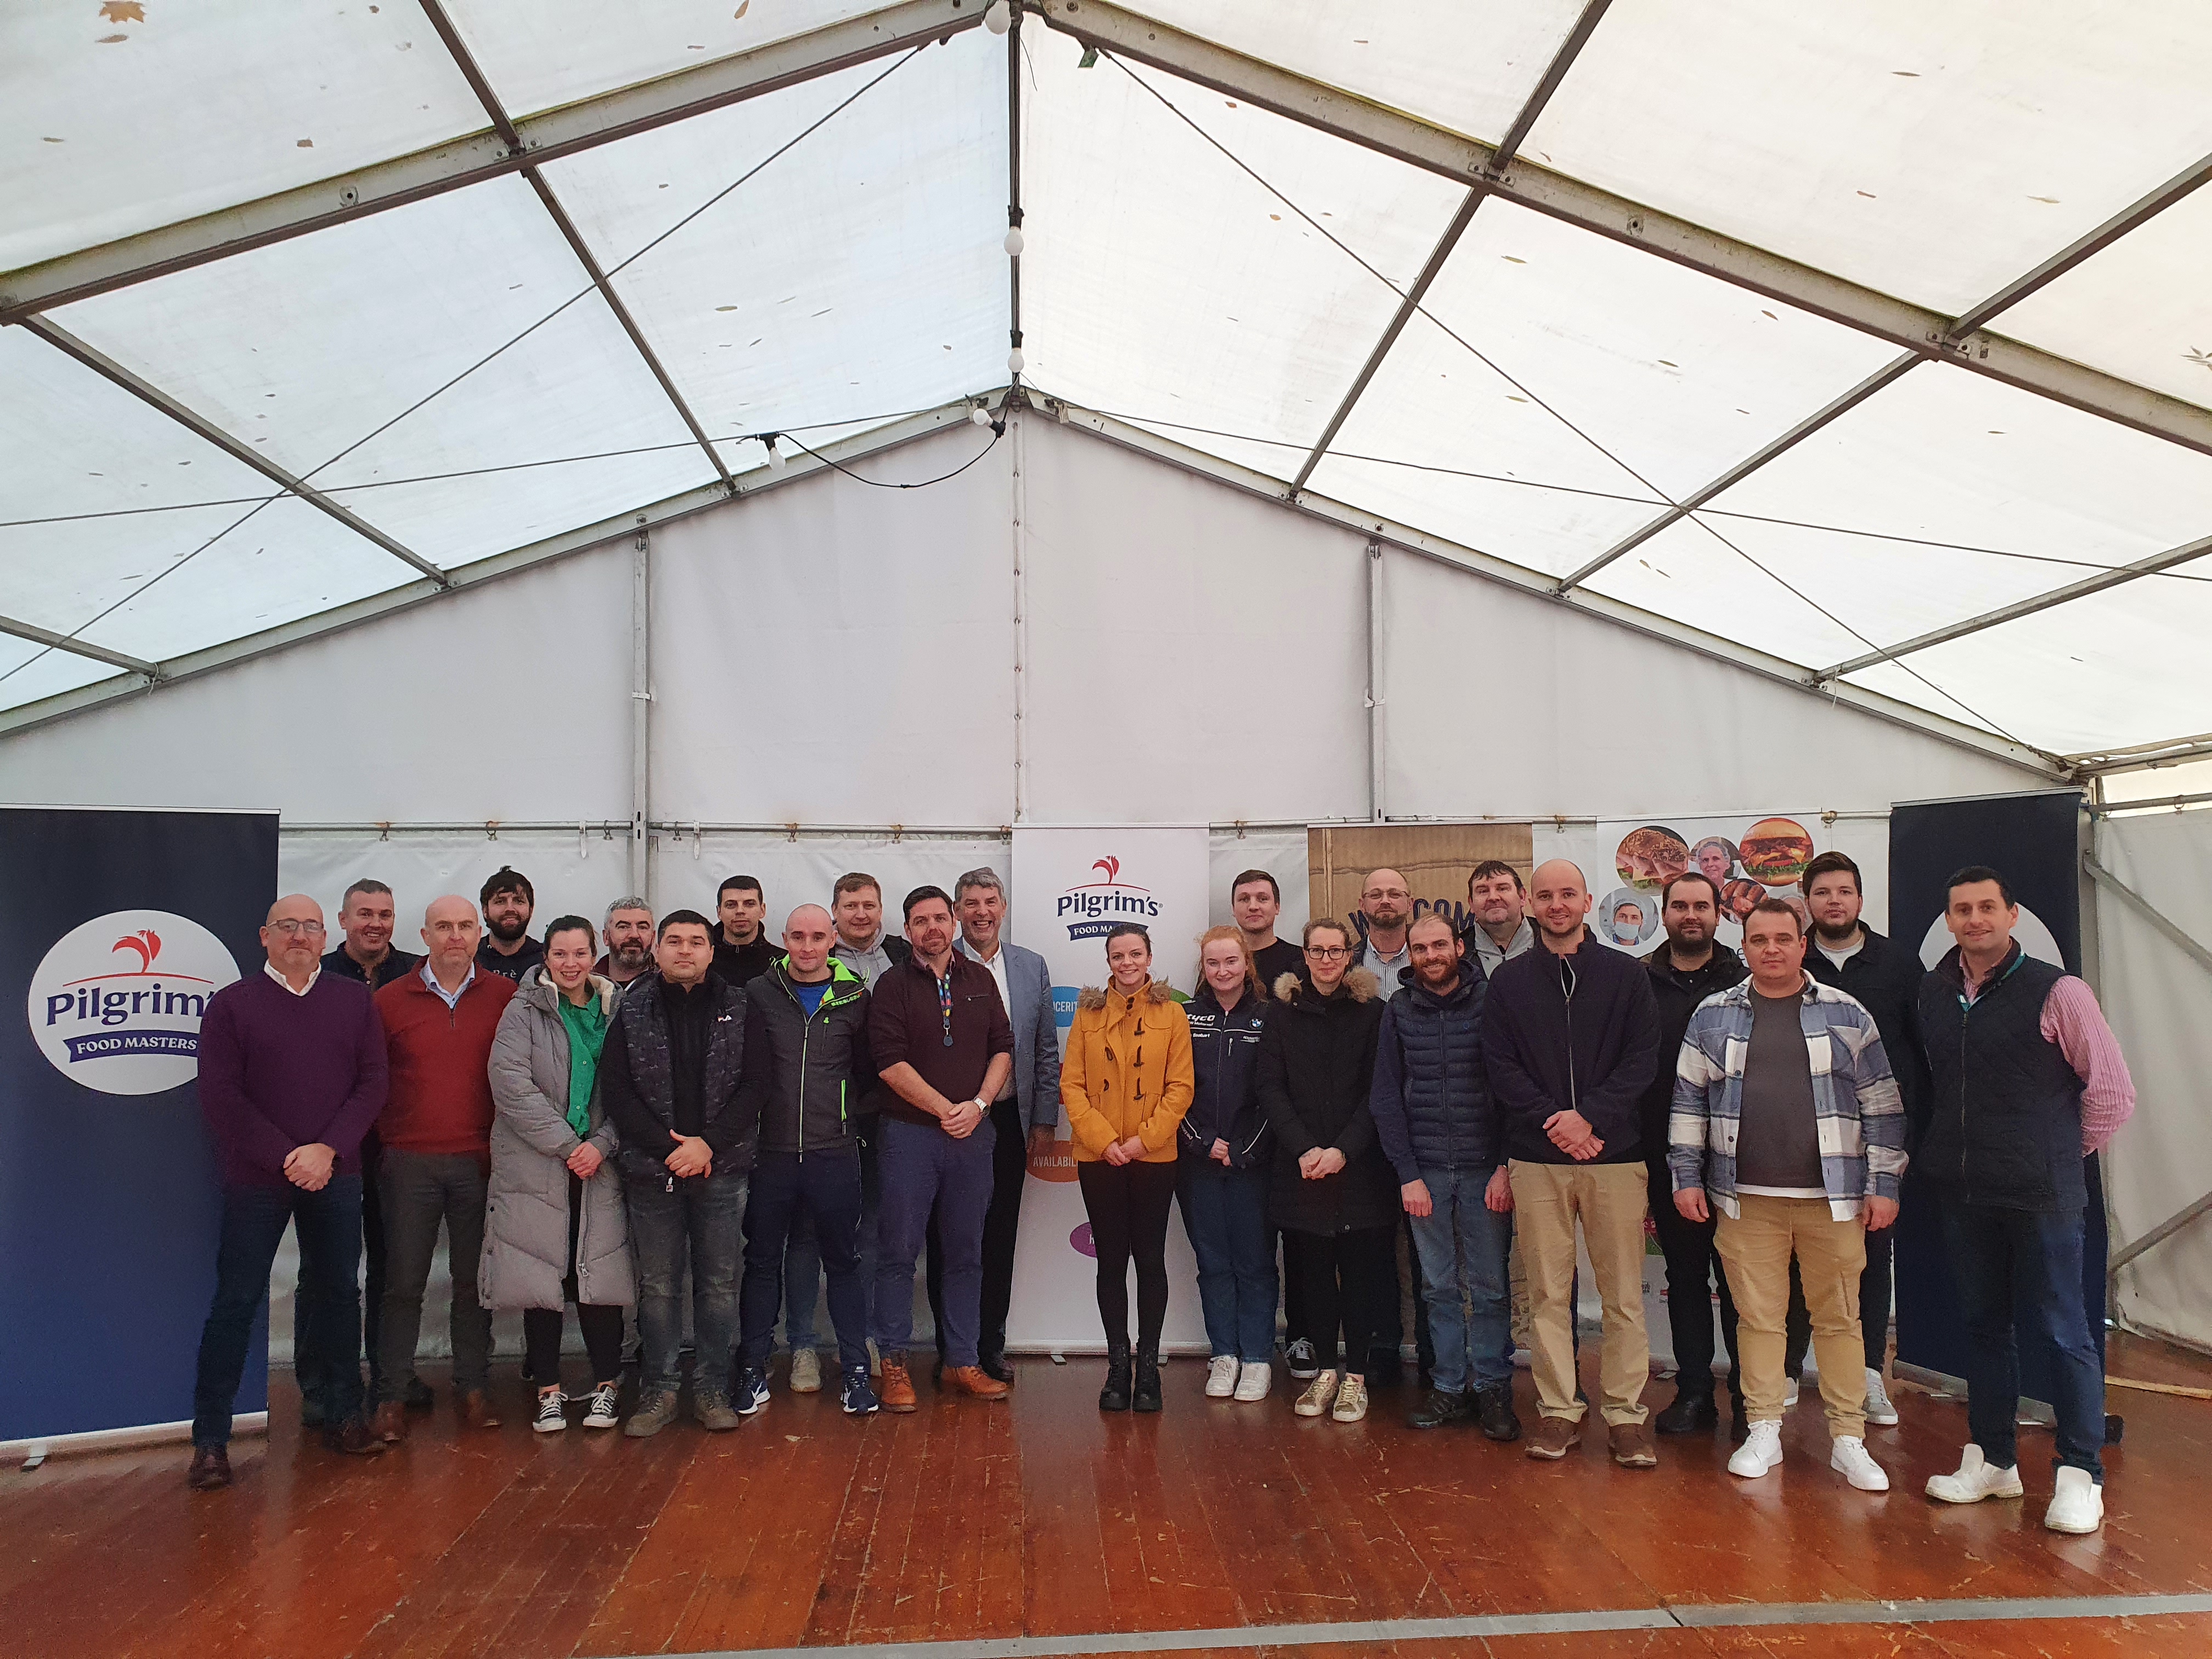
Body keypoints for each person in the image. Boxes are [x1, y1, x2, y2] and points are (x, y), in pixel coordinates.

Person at [1917, 866, 2134, 1535]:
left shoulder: (2059, 991)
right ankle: (1993, 1461)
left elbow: (2112, 1094)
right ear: (1949, 922)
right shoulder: (1934, 990)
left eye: (1987, 907)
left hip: (2042, 1194)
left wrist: (2055, 1156)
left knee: (2066, 1332)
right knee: (1985, 1330)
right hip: (1966, 1192)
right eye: (1962, 910)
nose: (1974, 919)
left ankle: (2079, 1474)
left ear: (2012, 916)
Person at [1671, 898, 1904, 1493]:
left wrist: (1883, 1185)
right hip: (1746, 1200)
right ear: (1743, 947)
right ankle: (1764, 1428)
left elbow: (1881, 1105)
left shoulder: (1848, 1014)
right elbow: (1688, 1103)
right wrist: (1686, 1177)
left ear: (1804, 945)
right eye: (1759, 940)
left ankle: (1848, 1439)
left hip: (1835, 1199)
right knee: (1758, 1319)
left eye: (1783, 939)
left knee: (1840, 1321)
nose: (1771, 949)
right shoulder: (1711, 1015)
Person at [187, 896, 390, 1489]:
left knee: (337, 1297)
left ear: (326, 936)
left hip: (336, 1172)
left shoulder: (355, 1002)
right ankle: (211, 1441)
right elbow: (221, 1097)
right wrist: (286, 1155)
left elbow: (373, 1083)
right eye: (287, 927)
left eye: (310, 927)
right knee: (236, 1303)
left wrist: (327, 1150)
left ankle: (346, 1417)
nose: (299, 936)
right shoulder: (231, 1006)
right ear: (264, 936)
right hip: (257, 1179)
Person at [1483, 860, 1662, 1468]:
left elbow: (1643, 1060)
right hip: (1537, 1159)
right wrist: (1555, 1122)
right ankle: (1559, 1411)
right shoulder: (1507, 983)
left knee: (1622, 1297)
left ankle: (1625, 1415)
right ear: (1530, 905)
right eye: (1545, 896)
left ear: (1589, 902)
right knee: (1548, 1295)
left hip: (1614, 1156)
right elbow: (1500, 1067)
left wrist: (1592, 1118)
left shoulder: (1625, 976)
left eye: (1568, 894)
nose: (1556, 904)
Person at [600, 910, 755, 1435]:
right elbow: (617, 1091)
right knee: (659, 1286)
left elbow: (756, 1086)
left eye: (696, 942)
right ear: (657, 950)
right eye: (674, 941)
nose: (684, 950)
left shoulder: (740, 1003)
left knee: (718, 1284)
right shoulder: (631, 1007)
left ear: (712, 951)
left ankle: (712, 1387)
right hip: (653, 1170)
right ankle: (659, 1391)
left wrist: (708, 1144)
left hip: (722, 1167)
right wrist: (671, 1150)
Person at [370, 896, 516, 1441]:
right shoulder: (388, 1001)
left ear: (479, 933)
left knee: (472, 1284)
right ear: (424, 934)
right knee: (402, 1283)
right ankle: (390, 1395)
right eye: (444, 927)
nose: (455, 936)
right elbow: (370, 1080)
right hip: (409, 1162)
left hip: (481, 1162)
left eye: (464, 926)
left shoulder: (506, 997)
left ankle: (473, 1388)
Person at [1369, 915, 1520, 1439]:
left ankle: (1494, 1387)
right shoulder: (1398, 1010)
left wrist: (1505, 1166)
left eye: (1440, 945)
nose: (1431, 955)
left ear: (1459, 947)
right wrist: (1407, 1175)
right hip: (1426, 1173)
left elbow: (1512, 1089)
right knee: (1437, 1288)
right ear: (1409, 956)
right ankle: (1450, 1387)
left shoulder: (1492, 1002)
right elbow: (1386, 1098)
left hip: (1485, 1171)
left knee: (1492, 1288)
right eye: (1420, 948)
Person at [482, 916, 631, 1434]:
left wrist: (602, 1145)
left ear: (596, 955)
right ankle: (547, 1387)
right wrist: (571, 1146)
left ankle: (608, 1385)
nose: (571, 964)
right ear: (545, 957)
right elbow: (511, 1086)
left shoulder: (619, 1011)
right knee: (540, 1274)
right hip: (539, 1162)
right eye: (561, 954)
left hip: (600, 1164)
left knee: (600, 1274)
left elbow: (634, 1089)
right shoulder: (522, 1010)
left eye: (580, 953)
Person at [868, 885, 1015, 1409]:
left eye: (939, 918)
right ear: (907, 931)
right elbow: (888, 1061)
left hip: (973, 1135)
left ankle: (962, 1361)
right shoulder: (890, 985)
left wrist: (976, 1105)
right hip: (909, 1136)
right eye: (919, 921)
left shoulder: (979, 980)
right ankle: (893, 1363)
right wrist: (943, 1108)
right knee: (898, 1253)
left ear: (953, 922)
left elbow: (1003, 1047)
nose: (932, 928)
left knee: (966, 1254)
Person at [733, 906, 882, 1419]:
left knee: (843, 1261)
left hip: (833, 1153)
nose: (808, 947)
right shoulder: (759, 993)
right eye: (798, 937)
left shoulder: (855, 999)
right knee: (761, 1262)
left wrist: (844, 1116)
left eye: (818, 937)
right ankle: (753, 1367)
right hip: (770, 1154)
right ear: (784, 939)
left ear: (833, 939)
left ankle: (857, 1373)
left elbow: (868, 1073)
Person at [1800, 849, 1929, 1427]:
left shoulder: (1901, 967)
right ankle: (1784, 1369)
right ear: (1807, 901)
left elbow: (1924, 1058)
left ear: (1859, 898)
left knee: (1872, 1262)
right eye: (1823, 892)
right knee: (1793, 1261)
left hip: (1874, 1148)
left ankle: (1870, 1376)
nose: (1834, 901)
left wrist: (1906, 1146)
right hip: (1798, 1146)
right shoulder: (1788, 959)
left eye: (1844, 891)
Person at [1257, 919, 1395, 1425]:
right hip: (1301, 1170)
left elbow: (1379, 1091)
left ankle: (1355, 1376)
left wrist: (1342, 1151)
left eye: (1336, 951)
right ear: (1306, 956)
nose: (1327, 960)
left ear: (1350, 955)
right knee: (1311, 1278)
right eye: (1318, 950)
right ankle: (1325, 1372)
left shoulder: (1374, 1013)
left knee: (1361, 1277)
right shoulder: (1281, 1014)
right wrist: (1304, 1149)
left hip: (1360, 1170)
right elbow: (1270, 1087)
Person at [302, 878, 426, 1422]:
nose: (375, 923)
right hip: (330, 1143)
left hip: (395, 1144)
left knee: (392, 1266)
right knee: (326, 1270)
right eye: (365, 913)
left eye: (385, 913)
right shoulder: (316, 974)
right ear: (344, 919)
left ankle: (390, 1375)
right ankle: (321, 1383)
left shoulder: (417, 972)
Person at [1062, 924, 1195, 1412]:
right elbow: (1071, 1085)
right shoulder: (1088, 1013)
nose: (1127, 963)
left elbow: (1181, 1086)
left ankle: (1149, 1371)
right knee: (1112, 1261)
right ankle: (1118, 1365)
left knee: (1151, 1259)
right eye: (1118, 955)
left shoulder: (1173, 1014)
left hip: (1154, 1157)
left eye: (1135, 954)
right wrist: (1104, 1140)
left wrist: (1144, 1140)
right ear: (1109, 960)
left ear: (1149, 956)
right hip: (1100, 1159)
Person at [1641, 872, 1754, 1438]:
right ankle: (1693, 1394)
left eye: (1701, 906)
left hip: (1743, 1161)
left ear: (1719, 915)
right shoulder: (1639, 983)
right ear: (1664, 914)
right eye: (1680, 906)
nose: (1691, 915)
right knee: (1685, 1278)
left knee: (1741, 1284)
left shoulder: (1747, 978)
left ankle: (1748, 1398)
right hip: (1669, 1161)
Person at [947, 866, 1062, 1383]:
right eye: (970, 903)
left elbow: (1044, 1049)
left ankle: (990, 1345)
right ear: (957, 912)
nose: (981, 912)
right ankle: (956, 1350)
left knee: (999, 1237)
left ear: (1004, 906)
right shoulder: (939, 962)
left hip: (1012, 1123)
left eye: (990, 901)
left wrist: (1043, 1120)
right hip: (956, 1125)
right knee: (954, 1238)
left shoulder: (1030, 965)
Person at [1178, 927, 1277, 1402]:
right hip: (1199, 1163)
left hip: (1252, 1164)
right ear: (1203, 967)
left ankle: (1257, 1358)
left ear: (1246, 965)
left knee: (1255, 1263)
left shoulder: (1270, 1017)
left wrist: (1242, 1149)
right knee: (1213, 1262)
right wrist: (1205, 1144)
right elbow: (1172, 1091)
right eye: (1213, 963)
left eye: (1231, 962)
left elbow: (1277, 1092)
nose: (1223, 971)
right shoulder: (1184, 1017)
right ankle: (1224, 1354)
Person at [830, 872, 912, 986]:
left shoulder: (903, 951)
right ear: (835, 911)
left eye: (869, 906)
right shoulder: (821, 955)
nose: (861, 915)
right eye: (851, 906)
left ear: (880, 911)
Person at [1460, 860, 1534, 981]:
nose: (1493, 897)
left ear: (1522, 897)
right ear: (1471, 903)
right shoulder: (1456, 957)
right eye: (1483, 891)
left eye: (1502, 889)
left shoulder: (1552, 945)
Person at [1232, 868, 1305, 987]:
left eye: (1263, 899)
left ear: (1277, 907)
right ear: (1234, 909)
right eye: (1244, 899)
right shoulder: (1220, 963)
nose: (1253, 907)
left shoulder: (1300, 960)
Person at [476, 866, 544, 983]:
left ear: (531, 909)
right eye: (500, 902)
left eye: (519, 901)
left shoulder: (546, 960)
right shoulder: (470, 958)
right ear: (485, 911)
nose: (510, 909)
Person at [713, 875, 778, 987]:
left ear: (762, 910)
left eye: (749, 904)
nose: (740, 911)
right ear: (719, 912)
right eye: (731, 905)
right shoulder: (702, 961)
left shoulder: (780, 963)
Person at [1355, 867, 1415, 984]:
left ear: (1410, 904)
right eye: (1376, 895)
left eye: (1394, 894)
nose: (1385, 901)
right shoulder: (1347, 964)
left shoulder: (1428, 960)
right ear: (1363, 905)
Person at [596, 896, 656, 989]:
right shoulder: (587, 986)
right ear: (606, 937)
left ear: (653, 937)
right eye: (624, 927)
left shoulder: (667, 987)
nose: (634, 935)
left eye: (642, 927)